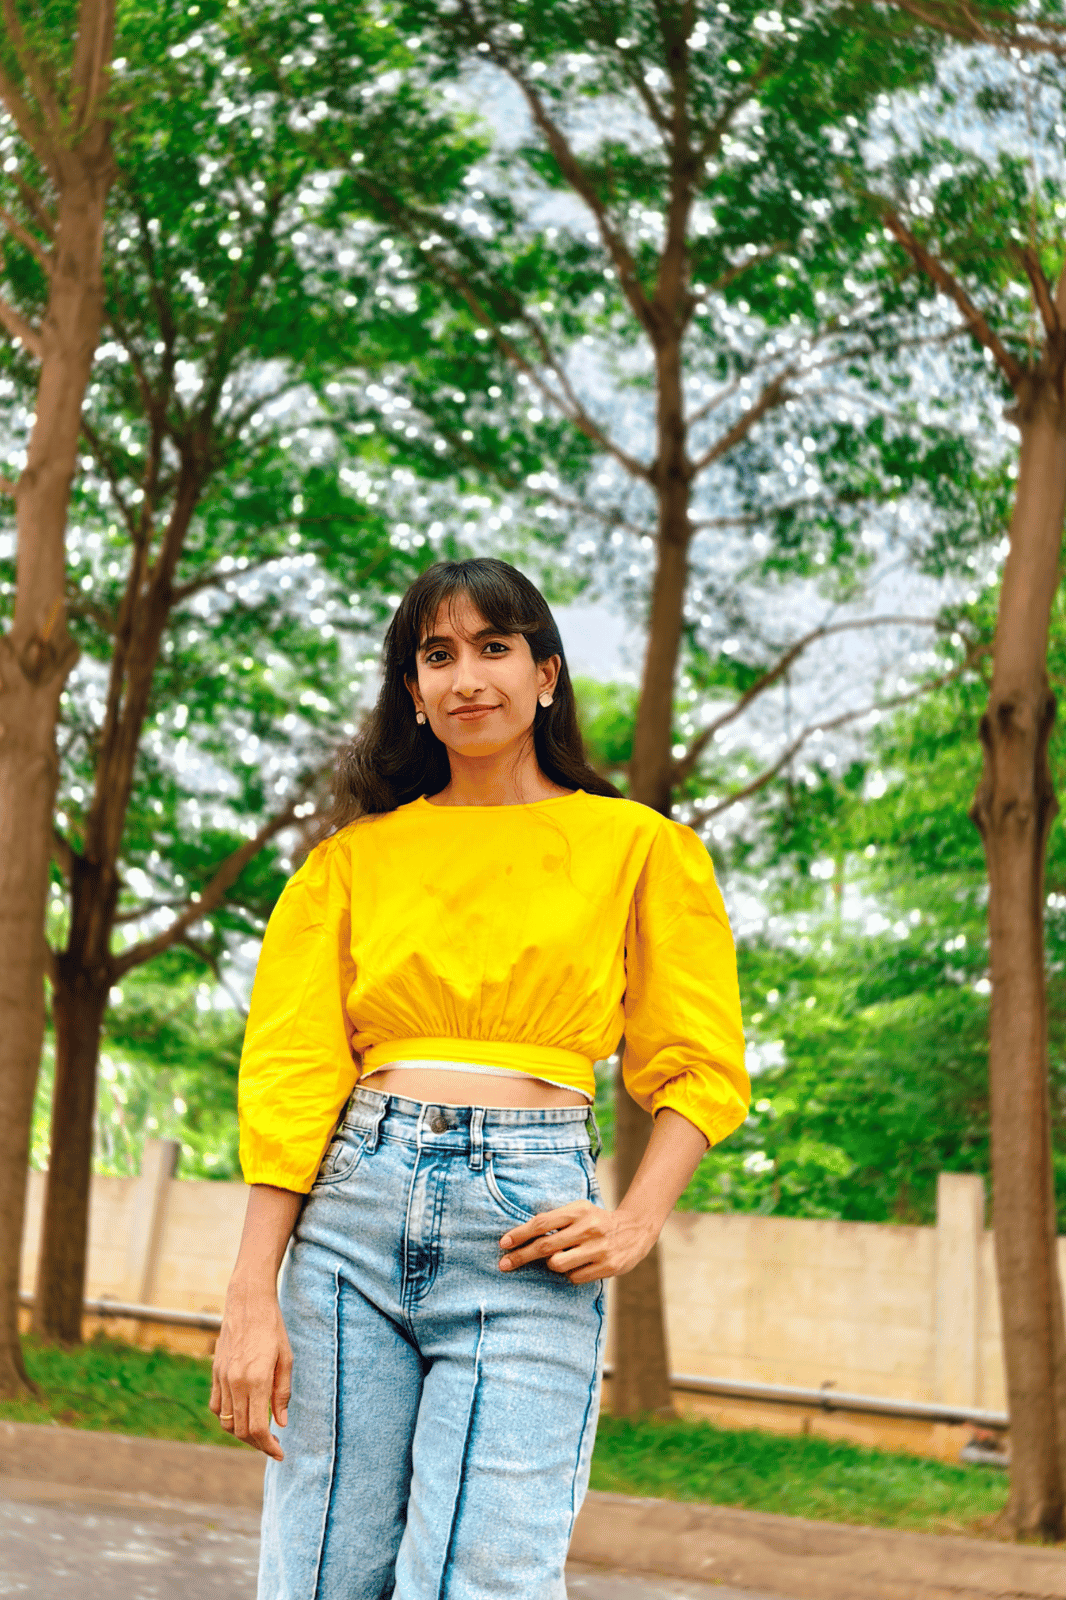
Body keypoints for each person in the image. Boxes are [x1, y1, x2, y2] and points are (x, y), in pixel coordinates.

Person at [211, 556, 749, 1600]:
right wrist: (249, 1296)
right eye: (438, 655)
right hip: (351, 1218)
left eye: (494, 648)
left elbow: (698, 1061)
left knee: (486, 1574)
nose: (467, 676)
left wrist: (635, 1221)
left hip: (531, 1231)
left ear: (546, 674)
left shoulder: (640, 848)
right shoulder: (350, 861)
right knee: (321, 1572)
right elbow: (292, 1077)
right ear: (412, 694)